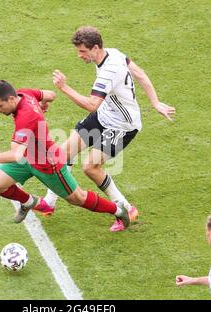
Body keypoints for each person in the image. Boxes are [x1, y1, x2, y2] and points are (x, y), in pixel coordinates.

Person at [40, 26, 176, 232]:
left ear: (95, 48)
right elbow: (139, 73)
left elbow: (91, 104)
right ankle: (50, 202)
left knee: (90, 167)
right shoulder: (114, 53)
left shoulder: (109, 70)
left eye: (83, 51)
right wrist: (155, 102)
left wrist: (64, 88)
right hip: (104, 116)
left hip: (122, 126)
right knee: (63, 153)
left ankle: (126, 209)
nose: (80, 56)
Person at [0, 80, 130, 231]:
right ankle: (29, 202)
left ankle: (118, 210)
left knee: (77, 198)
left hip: (48, 164)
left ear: (11, 99)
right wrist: (42, 103)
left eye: (0, 106)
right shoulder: (24, 93)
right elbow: (51, 95)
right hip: (29, 158)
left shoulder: (26, 117)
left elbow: (15, 155)